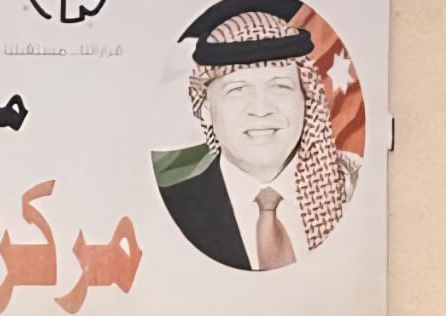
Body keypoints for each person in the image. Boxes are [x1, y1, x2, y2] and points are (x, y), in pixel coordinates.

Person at [154, 0, 360, 272]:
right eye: (237, 89)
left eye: (280, 86)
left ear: (306, 98)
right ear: (205, 109)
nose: (261, 109)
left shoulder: (349, 193)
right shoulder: (171, 209)